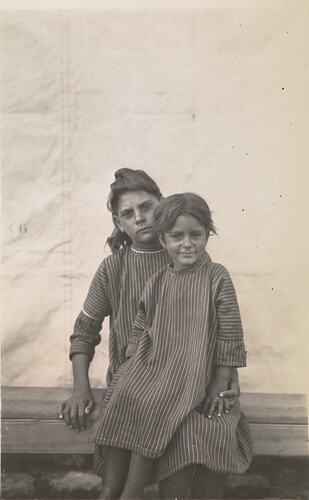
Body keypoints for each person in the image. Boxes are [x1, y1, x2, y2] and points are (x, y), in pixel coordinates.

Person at [58, 171, 243, 498]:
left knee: (204, 433)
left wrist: (226, 378)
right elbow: (84, 331)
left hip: (192, 380)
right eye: (128, 214)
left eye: (147, 206)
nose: (140, 217)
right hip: (134, 382)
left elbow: (220, 329)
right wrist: (80, 387)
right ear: (118, 222)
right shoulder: (114, 268)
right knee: (129, 424)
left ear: (163, 207)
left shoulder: (194, 262)